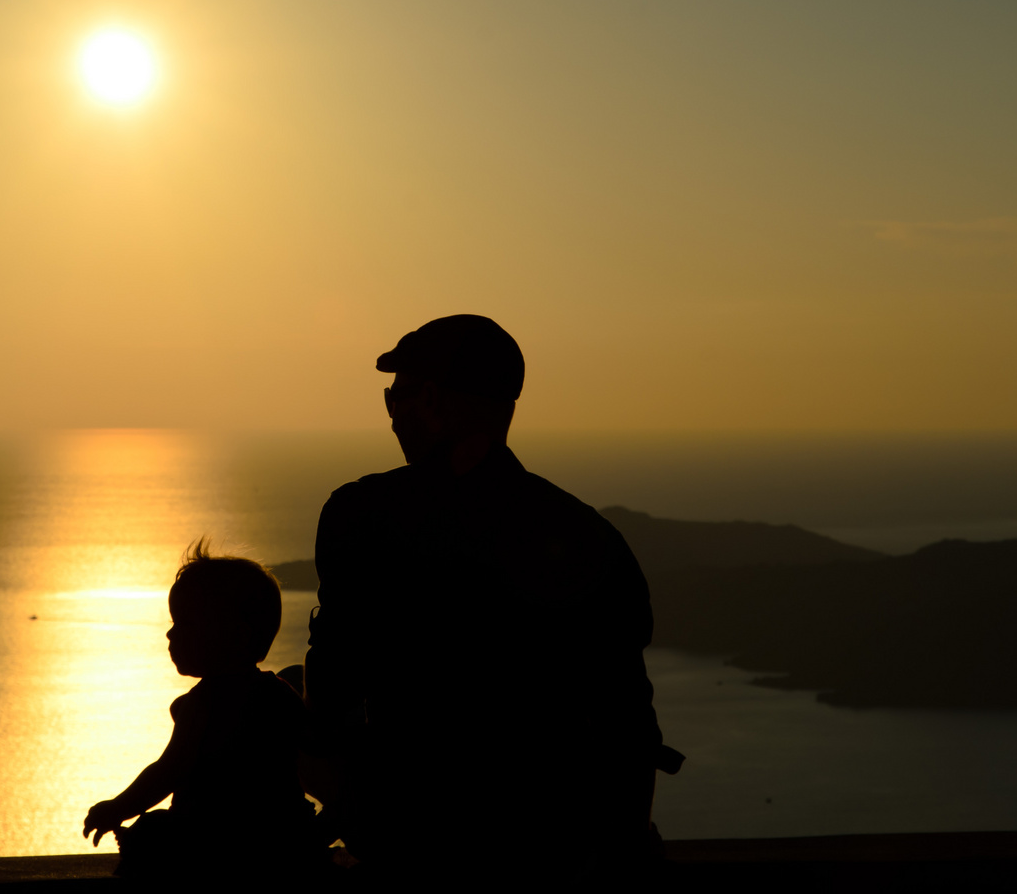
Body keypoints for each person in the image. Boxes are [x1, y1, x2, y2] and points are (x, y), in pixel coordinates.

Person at [303, 315, 663, 884]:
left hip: (417, 843)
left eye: (394, 395)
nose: (391, 413)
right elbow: (628, 719)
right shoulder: (587, 534)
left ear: (427, 398)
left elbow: (333, 687)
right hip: (555, 847)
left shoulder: (362, 515)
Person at [83, 542, 319, 883]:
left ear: (234, 635)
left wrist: (117, 808)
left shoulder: (204, 704)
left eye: (186, 624)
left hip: (211, 841)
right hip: (280, 839)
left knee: (152, 830)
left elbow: (168, 771)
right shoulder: (280, 693)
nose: (170, 632)